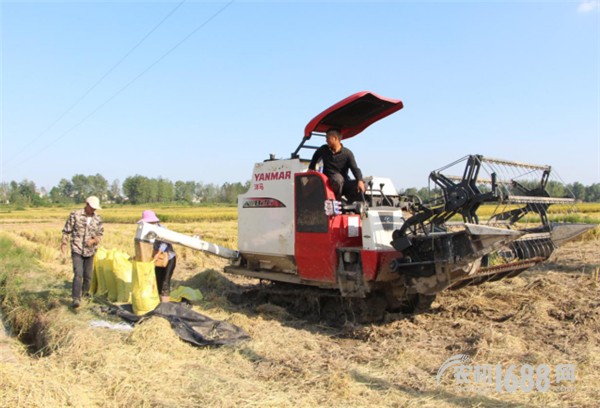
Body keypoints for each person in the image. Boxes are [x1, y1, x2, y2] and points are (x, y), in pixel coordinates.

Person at [60, 196, 104, 308]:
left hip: (90, 251)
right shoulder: (75, 215)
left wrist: (94, 240)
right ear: (86, 204)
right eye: (92, 207)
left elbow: (100, 235)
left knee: (88, 276)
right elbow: (66, 231)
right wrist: (64, 244)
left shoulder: (98, 219)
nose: (93, 210)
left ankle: (84, 295)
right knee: (78, 274)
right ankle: (76, 299)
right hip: (77, 249)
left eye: (95, 208)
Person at [308, 127, 366, 202]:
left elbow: (355, 168)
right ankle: (336, 202)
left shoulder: (347, 153)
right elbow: (315, 157)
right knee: (337, 179)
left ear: (335, 138)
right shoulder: (323, 150)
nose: (326, 140)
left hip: (343, 183)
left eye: (327, 138)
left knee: (361, 185)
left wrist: (360, 181)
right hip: (329, 183)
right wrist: (311, 169)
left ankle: (349, 204)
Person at [138, 210, 176, 303]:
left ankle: (165, 306)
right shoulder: (146, 230)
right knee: (157, 281)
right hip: (156, 259)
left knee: (165, 282)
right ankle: (159, 304)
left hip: (168, 258)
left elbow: (165, 243)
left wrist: (158, 254)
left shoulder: (162, 229)